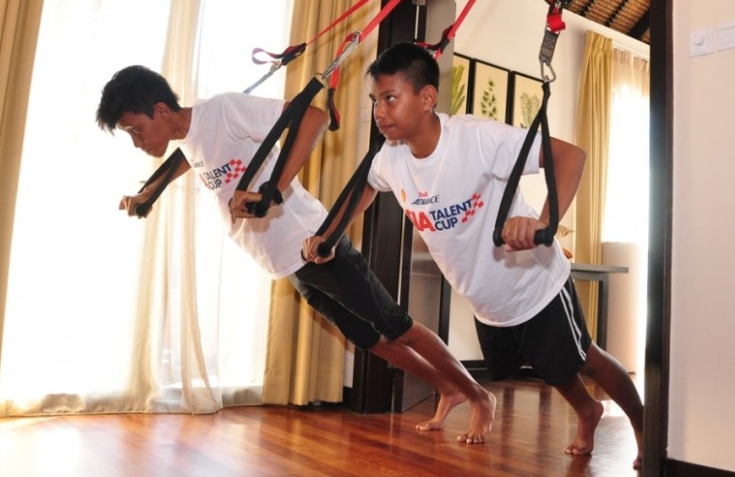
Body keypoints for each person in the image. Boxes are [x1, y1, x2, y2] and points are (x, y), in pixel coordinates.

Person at [95, 65, 496, 444]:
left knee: (395, 324)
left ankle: (479, 396)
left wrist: (272, 190)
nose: (137, 140)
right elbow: (189, 155)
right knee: (370, 339)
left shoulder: (224, 110)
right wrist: (150, 191)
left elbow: (314, 118)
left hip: (315, 244)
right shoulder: (187, 136)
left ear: (161, 110)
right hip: (286, 262)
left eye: (136, 129)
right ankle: (448, 387)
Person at [302, 42, 644, 470]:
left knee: (583, 358)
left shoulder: (477, 139)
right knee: (550, 368)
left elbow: (569, 155)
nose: (380, 111)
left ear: (427, 98)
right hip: (488, 300)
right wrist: (329, 232)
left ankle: (643, 425)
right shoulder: (390, 159)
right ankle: (588, 411)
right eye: (375, 101)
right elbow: (366, 186)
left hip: (533, 284)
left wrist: (544, 221)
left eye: (390, 98)